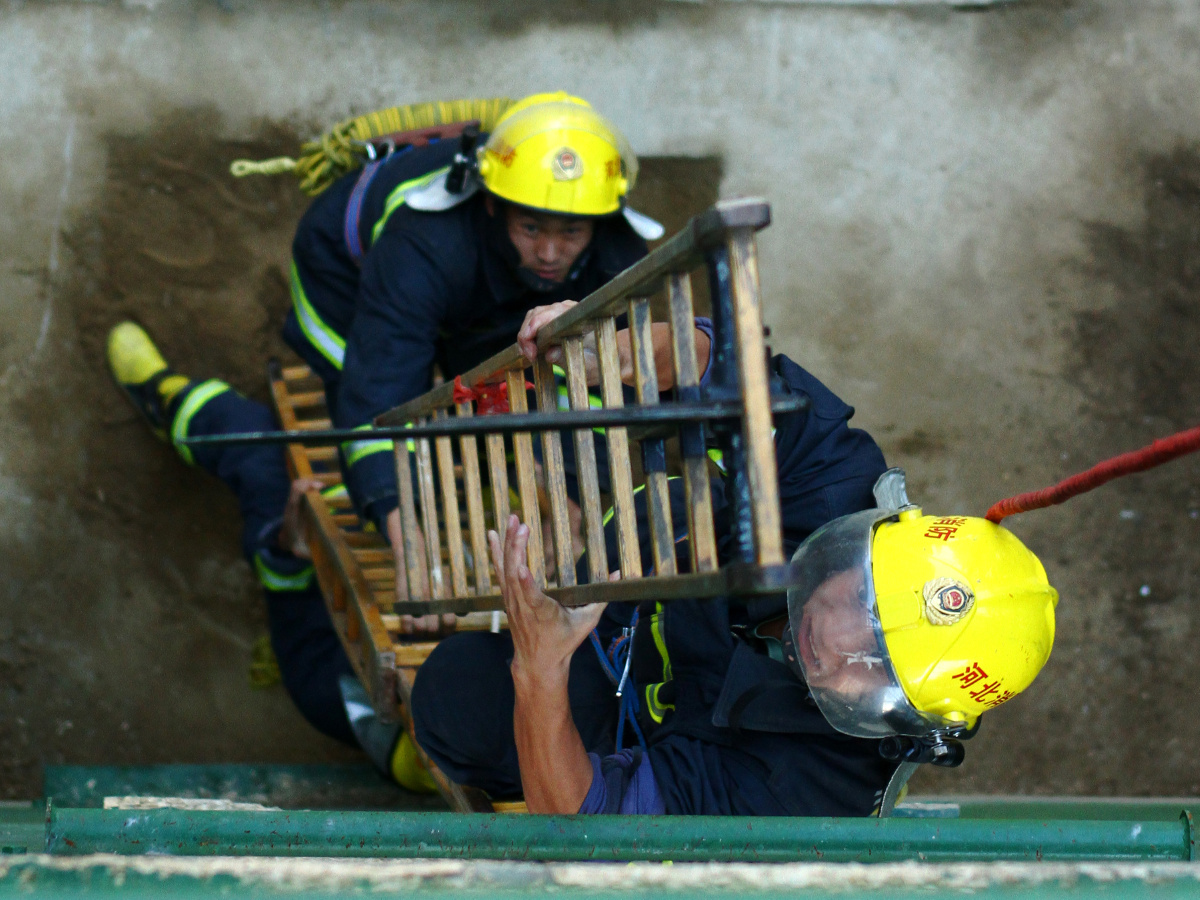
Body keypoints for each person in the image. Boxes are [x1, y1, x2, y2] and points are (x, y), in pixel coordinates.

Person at [411, 343, 1060, 816]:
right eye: (863, 599)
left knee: (460, 704)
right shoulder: (839, 490)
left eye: (875, 665)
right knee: (664, 503)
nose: (834, 639)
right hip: (646, 612)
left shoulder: (806, 792)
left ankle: (468, 755)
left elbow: (586, 832)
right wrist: (623, 351)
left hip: (656, 736)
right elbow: (732, 370)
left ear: (908, 715)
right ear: (873, 540)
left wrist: (540, 666)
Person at [280, 90, 691, 598]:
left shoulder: (618, 255)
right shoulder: (426, 246)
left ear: (600, 222)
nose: (548, 252)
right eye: (531, 225)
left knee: (519, 380)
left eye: (571, 231)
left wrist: (576, 503)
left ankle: (523, 468)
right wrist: (409, 542)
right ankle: (373, 499)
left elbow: (613, 389)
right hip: (346, 269)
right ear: (493, 205)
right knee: (361, 378)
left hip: (480, 282)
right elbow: (376, 392)